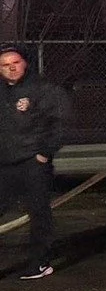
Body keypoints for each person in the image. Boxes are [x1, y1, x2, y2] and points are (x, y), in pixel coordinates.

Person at [0, 45, 70, 279]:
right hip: (5, 163)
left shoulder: (42, 90)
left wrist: (45, 153)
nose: (11, 68)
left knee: (38, 213)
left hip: (33, 163)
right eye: (5, 64)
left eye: (15, 62)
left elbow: (59, 123)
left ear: (25, 63)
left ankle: (40, 263)